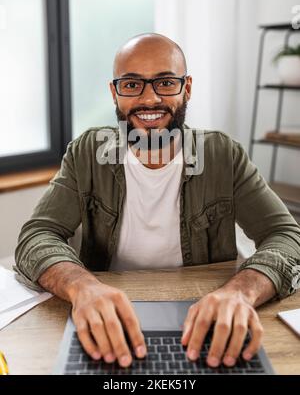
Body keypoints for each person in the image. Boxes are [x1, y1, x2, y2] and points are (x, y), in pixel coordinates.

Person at [15, 33, 300, 369]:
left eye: (165, 82)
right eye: (132, 84)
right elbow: (36, 236)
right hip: (108, 317)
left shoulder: (223, 155)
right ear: (115, 92)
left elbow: (287, 236)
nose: (149, 99)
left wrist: (241, 292)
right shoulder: (87, 154)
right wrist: (82, 288)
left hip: (206, 316)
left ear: (187, 88)